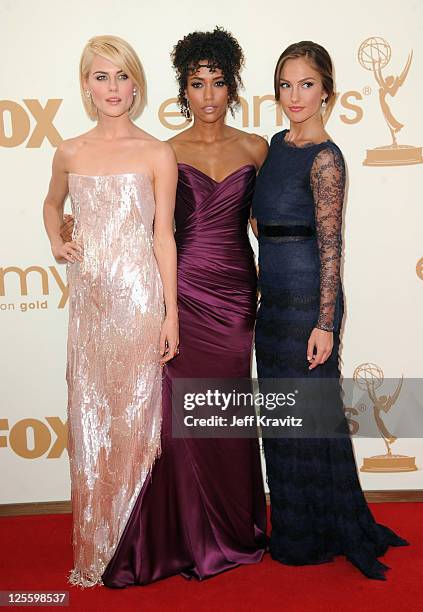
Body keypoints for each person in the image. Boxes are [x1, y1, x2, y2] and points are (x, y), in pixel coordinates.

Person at [101, 27, 268, 587]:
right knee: (181, 418)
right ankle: (189, 533)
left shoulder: (255, 148)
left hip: (238, 292)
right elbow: (148, 229)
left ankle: (235, 527)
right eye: (198, 84)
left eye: (219, 83)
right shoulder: (165, 150)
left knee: (228, 407)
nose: (209, 95)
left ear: (232, 86)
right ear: (183, 89)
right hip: (185, 291)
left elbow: (264, 224)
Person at [252, 41, 408, 580]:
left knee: (308, 419)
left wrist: (325, 322)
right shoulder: (275, 145)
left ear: (327, 92)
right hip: (270, 304)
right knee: (283, 419)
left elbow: (331, 246)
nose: (295, 96)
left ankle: (314, 534)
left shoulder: (326, 156)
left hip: (305, 307)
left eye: (307, 85)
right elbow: (263, 218)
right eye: (286, 85)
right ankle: (296, 526)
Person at [43, 35, 178, 587]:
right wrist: (56, 240)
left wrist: (170, 313)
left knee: (137, 423)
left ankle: (133, 546)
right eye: (101, 77)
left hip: (141, 302)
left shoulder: (156, 152)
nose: (112, 88)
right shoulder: (69, 151)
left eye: (122, 77)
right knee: (92, 421)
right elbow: (52, 204)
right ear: (85, 85)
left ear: (137, 85)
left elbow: (164, 236)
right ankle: (95, 544)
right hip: (90, 310)